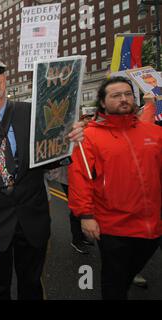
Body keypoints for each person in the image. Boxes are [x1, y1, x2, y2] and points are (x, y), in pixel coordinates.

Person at [0, 53, 84, 300]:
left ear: (5, 76)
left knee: (32, 285)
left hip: (32, 221)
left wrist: (68, 142)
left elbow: (51, 158)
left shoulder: (33, 113)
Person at [68, 77, 162, 300]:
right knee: (114, 282)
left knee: (124, 274)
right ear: (102, 102)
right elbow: (80, 177)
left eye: (128, 94)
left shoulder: (154, 133)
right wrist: (86, 215)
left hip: (152, 226)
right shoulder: (88, 135)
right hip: (113, 227)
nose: (124, 99)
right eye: (116, 95)